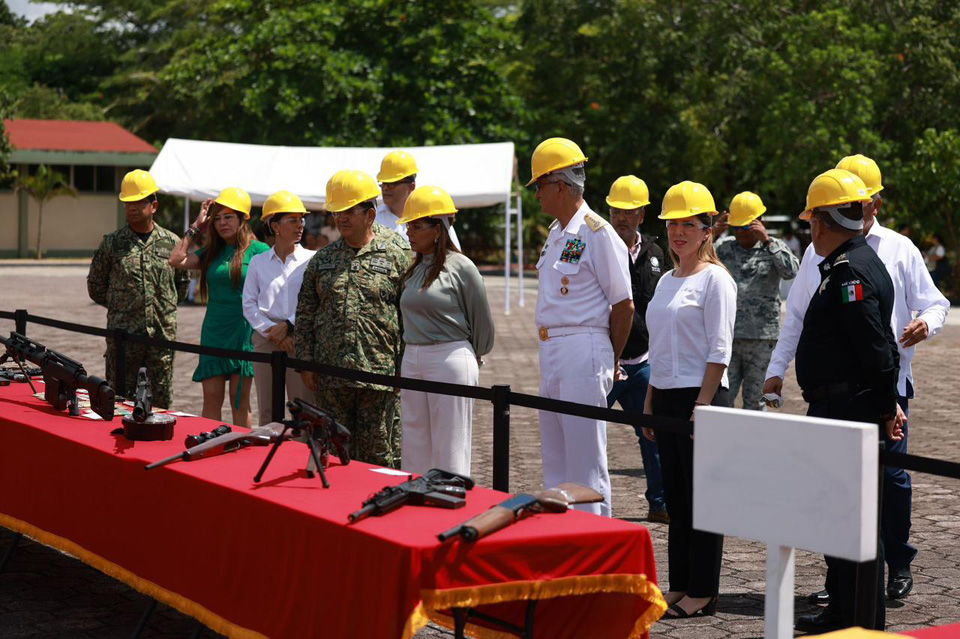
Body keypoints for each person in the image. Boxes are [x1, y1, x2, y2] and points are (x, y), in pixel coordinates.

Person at [765, 156, 948, 605]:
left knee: (890, 481)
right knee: (840, 490)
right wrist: (775, 370)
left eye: (862, 203)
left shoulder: (897, 249)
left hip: (885, 388)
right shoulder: (818, 252)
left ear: (875, 203)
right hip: (851, 391)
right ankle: (845, 583)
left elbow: (933, 304)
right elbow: (799, 319)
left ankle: (895, 563)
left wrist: (926, 323)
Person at [790, 168, 902, 632]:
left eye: (812, 220)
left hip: (847, 410)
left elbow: (876, 349)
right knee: (838, 518)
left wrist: (883, 404)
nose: (810, 229)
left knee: (850, 522)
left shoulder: (850, 271)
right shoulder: (852, 262)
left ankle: (857, 620)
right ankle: (842, 612)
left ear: (823, 221)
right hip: (842, 407)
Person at [641, 180, 736, 619]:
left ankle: (704, 589)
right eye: (672, 223)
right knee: (677, 500)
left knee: (704, 500)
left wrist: (703, 404)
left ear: (707, 230)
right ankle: (679, 584)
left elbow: (719, 350)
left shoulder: (716, 279)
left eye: (688, 224)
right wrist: (649, 401)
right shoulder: (665, 280)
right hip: (666, 396)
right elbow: (659, 347)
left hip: (704, 396)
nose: (678, 231)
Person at [530, 137, 633, 517]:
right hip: (554, 349)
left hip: (583, 348)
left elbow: (624, 304)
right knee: (557, 460)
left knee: (586, 461)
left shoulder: (596, 231)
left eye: (539, 186)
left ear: (560, 185)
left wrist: (611, 357)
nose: (537, 195)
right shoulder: (559, 233)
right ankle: (565, 538)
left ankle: (596, 547)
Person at [295, 170, 411, 468]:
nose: (341, 219)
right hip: (331, 375)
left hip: (379, 376)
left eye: (349, 211)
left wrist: (404, 366)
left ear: (370, 214)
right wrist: (306, 363)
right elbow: (306, 313)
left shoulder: (398, 253)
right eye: (337, 212)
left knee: (379, 457)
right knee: (334, 455)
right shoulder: (323, 260)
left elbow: (409, 312)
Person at [397, 186, 495, 476]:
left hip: (450, 357)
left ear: (438, 229)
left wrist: (467, 356)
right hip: (413, 356)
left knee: (450, 445)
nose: (409, 233)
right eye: (408, 226)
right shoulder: (414, 268)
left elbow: (483, 325)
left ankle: (450, 503)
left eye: (416, 226)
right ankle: (415, 505)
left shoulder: (461, 266)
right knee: (414, 443)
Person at [87, 169, 189, 408]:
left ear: (154, 205)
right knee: (119, 400)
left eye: (139, 201)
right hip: (123, 338)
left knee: (161, 403)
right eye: (128, 202)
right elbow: (96, 286)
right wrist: (123, 306)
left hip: (161, 339)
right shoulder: (112, 243)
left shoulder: (172, 242)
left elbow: (181, 287)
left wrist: (161, 308)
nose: (132, 207)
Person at [169, 187, 270, 426]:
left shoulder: (259, 251)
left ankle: (239, 453)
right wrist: (197, 225)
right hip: (214, 332)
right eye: (217, 219)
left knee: (239, 405)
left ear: (243, 219)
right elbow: (176, 259)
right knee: (211, 403)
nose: (222, 223)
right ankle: (209, 447)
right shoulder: (212, 251)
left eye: (228, 217)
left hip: (243, 334)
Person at [603, 175, 669, 524]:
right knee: (588, 431)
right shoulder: (597, 247)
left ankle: (660, 504)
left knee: (652, 438)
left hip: (643, 364)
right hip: (604, 361)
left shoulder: (657, 253)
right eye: (615, 211)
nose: (621, 218)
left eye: (629, 211)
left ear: (642, 214)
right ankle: (588, 504)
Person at [715, 191, 798, 411]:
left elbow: (791, 271)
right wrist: (713, 234)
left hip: (761, 340)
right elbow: (695, 261)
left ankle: (752, 445)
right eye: (737, 227)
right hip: (729, 337)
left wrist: (767, 240)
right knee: (723, 398)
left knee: (755, 402)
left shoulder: (773, 247)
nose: (741, 233)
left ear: (759, 222)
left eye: (746, 227)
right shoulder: (723, 248)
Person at [242, 190, 316, 426]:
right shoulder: (258, 262)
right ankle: (267, 455)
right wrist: (272, 332)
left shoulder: (312, 260)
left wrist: (288, 326)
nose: (300, 225)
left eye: (301, 219)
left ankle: (301, 458)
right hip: (266, 340)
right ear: (274, 226)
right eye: (293, 220)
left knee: (303, 410)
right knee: (267, 409)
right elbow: (249, 303)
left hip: (299, 339)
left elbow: (314, 300)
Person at [376, 150, 461, 249]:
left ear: (411, 187)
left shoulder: (431, 216)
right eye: (383, 183)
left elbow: (454, 254)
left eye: (391, 184)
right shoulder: (373, 220)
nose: (385, 188)